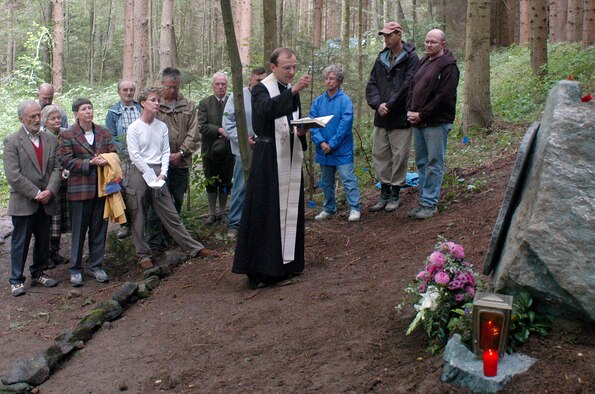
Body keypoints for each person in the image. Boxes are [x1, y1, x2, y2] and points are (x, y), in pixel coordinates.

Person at [232, 48, 311, 289]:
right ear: (273, 67)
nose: (292, 71)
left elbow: (289, 117)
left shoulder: (288, 89)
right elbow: (265, 111)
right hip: (267, 158)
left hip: (288, 154)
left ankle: (287, 265)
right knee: (265, 212)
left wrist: (300, 129)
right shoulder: (260, 89)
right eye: (287, 67)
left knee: (289, 210)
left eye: (294, 67)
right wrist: (295, 90)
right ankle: (258, 271)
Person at [126, 87, 216, 269]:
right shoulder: (134, 128)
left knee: (170, 213)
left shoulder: (162, 127)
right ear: (143, 103)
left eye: (158, 100)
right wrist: (150, 175)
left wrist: (163, 173)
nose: (157, 103)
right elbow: (135, 155)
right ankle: (143, 255)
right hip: (139, 172)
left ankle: (194, 248)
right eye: (153, 100)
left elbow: (165, 151)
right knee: (138, 214)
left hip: (159, 171)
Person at [3, 101, 60, 296]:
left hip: (47, 200)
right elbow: (13, 175)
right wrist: (36, 193)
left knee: (43, 239)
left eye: (38, 115)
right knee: (21, 241)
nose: (37, 120)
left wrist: (50, 191)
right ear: (22, 119)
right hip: (24, 202)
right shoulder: (12, 141)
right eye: (32, 117)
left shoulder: (50, 139)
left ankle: (38, 272)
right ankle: (16, 279)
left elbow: (57, 168)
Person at [61, 98, 116, 287]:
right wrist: (89, 163)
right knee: (78, 231)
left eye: (90, 108)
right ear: (76, 113)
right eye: (84, 109)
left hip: (101, 189)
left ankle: (96, 265)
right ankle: (76, 269)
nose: (88, 112)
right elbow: (66, 161)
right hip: (79, 190)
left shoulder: (103, 131)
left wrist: (106, 159)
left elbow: (114, 153)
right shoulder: (68, 134)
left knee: (99, 229)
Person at [366, 21, 419, 213]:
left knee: (399, 155)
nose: (387, 39)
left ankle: (395, 193)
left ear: (399, 34)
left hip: (400, 116)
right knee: (380, 154)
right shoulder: (381, 58)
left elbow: (408, 84)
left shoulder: (411, 57)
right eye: (384, 36)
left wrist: (390, 104)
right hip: (382, 116)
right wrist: (378, 104)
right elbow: (372, 83)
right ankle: (384, 192)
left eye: (390, 35)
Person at [407, 29, 460, 220]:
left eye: (433, 42)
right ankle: (423, 202)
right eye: (427, 41)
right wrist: (410, 111)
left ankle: (430, 204)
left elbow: (443, 97)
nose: (429, 45)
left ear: (443, 44)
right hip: (418, 121)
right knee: (421, 163)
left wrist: (422, 114)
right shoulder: (424, 61)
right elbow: (413, 87)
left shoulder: (448, 66)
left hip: (436, 122)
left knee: (434, 162)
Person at [148, 67, 199, 251]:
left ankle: (172, 238)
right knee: (157, 202)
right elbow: (147, 131)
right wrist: (162, 157)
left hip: (181, 162)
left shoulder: (188, 106)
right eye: (169, 87)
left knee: (176, 201)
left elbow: (194, 132)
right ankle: (155, 241)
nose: (172, 91)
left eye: (176, 87)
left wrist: (182, 153)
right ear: (162, 84)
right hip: (157, 164)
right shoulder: (154, 105)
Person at [309, 64, 361, 222]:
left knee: (348, 179)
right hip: (323, 150)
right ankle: (329, 208)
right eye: (326, 78)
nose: (328, 81)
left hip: (341, 149)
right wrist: (321, 142)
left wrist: (332, 143)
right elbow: (312, 123)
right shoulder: (318, 102)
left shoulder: (345, 101)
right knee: (326, 182)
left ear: (339, 81)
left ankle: (355, 208)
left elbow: (345, 125)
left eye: (331, 79)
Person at [223, 67, 267, 238]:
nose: (260, 83)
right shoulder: (237, 97)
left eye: (264, 80)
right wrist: (243, 140)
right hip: (244, 150)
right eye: (257, 80)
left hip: (264, 148)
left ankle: (258, 222)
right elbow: (228, 123)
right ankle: (234, 224)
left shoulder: (268, 95)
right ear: (250, 79)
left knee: (262, 185)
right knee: (241, 186)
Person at [105, 80, 142, 239]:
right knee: (124, 190)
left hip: (142, 156)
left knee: (141, 189)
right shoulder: (113, 112)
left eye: (131, 90)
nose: (128, 93)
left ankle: (142, 223)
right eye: (125, 90)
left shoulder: (140, 108)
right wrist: (126, 151)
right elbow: (111, 135)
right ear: (119, 92)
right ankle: (125, 224)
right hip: (124, 157)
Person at [198, 72, 234, 225]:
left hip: (229, 150)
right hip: (209, 151)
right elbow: (202, 126)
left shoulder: (233, 101)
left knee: (225, 181)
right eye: (217, 84)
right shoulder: (205, 103)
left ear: (227, 85)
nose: (220, 87)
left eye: (223, 84)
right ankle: (211, 212)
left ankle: (222, 211)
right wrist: (219, 130)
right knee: (210, 181)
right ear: (213, 85)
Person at [41, 104, 71, 268]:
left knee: (59, 221)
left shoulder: (66, 134)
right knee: (48, 221)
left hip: (64, 184)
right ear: (45, 122)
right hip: (48, 185)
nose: (57, 120)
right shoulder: (41, 137)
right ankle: (44, 255)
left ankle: (54, 252)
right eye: (53, 118)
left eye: (58, 117)